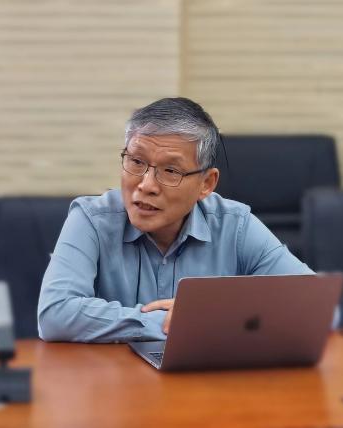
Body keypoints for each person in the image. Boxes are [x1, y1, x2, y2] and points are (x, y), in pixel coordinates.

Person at [37, 97, 328, 343]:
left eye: (171, 171)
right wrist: (179, 323)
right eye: (136, 162)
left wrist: (219, 314)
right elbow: (54, 314)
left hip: (208, 385)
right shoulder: (91, 219)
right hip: (115, 383)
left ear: (206, 184)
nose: (146, 185)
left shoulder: (235, 225)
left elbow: (319, 307)